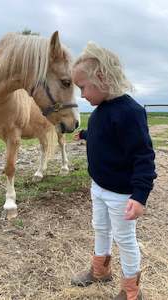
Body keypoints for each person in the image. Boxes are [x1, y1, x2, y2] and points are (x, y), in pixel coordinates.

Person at [71, 41, 157, 300]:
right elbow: (102, 136)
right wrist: (85, 134)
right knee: (100, 228)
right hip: (98, 186)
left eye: (83, 87)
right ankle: (100, 271)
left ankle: (131, 290)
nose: (82, 95)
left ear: (102, 77)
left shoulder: (130, 112)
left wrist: (140, 196)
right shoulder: (100, 112)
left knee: (124, 238)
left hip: (121, 194)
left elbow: (144, 156)